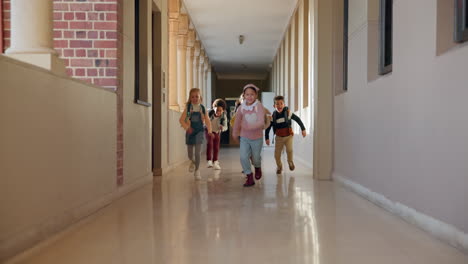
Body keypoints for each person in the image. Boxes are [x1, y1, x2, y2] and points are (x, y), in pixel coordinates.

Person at [232, 84, 267, 187]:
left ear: (256, 95)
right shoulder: (241, 108)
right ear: (244, 96)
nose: (249, 96)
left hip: (257, 138)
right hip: (245, 137)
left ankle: (257, 167)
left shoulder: (259, 106)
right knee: (243, 157)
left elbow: (261, 122)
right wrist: (235, 133)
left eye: (252, 94)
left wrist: (248, 126)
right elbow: (237, 122)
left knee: (256, 158)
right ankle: (249, 176)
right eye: (247, 94)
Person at [265, 95, 307, 174]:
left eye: (281, 103)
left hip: (288, 136)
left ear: (284, 104)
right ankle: (279, 166)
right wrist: (267, 138)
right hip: (279, 138)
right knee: (277, 155)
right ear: (274, 106)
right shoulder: (273, 116)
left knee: (289, 150)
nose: (279, 105)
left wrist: (303, 129)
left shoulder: (288, 113)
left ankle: (290, 162)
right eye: (277, 104)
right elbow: (268, 128)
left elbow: (297, 119)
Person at [179, 88, 212, 180]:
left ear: (200, 97)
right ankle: (192, 162)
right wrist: (187, 127)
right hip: (190, 131)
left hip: (199, 132)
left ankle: (197, 171)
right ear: (190, 98)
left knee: (197, 153)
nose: (195, 98)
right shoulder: (188, 108)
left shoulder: (203, 108)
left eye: (196, 96)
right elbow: (181, 120)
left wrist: (209, 131)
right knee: (190, 154)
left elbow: (208, 121)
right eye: (192, 97)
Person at [206, 98, 228, 170]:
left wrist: (222, 128)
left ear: (223, 110)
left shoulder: (223, 116)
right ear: (213, 108)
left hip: (217, 132)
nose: (218, 112)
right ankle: (209, 160)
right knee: (210, 143)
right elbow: (204, 122)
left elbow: (225, 126)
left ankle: (215, 161)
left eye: (220, 110)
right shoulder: (209, 113)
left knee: (216, 147)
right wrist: (209, 130)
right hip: (209, 130)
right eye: (217, 110)